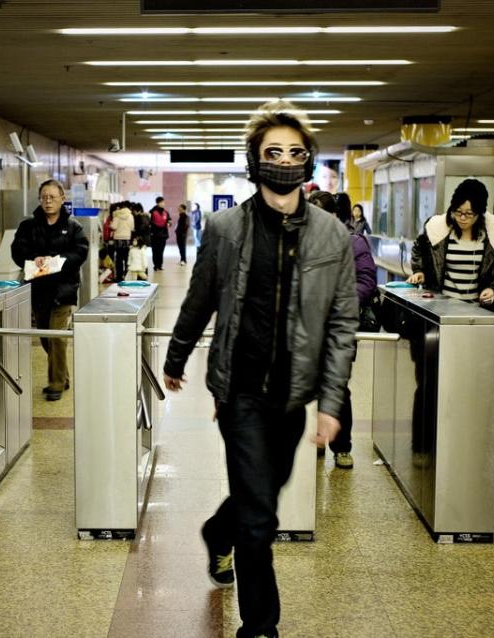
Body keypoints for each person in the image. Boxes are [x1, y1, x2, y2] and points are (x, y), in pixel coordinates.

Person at [163, 100, 359, 638]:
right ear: (255, 160)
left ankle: (215, 531)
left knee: (260, 499)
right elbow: (200, 298)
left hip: (291, 399)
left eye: (296, 153)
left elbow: (343, 325)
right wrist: (177, 355)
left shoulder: (332, 236)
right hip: (240, 392)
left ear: (310, 162)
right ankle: (261, 626)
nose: (285, 161)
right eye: (273, 152)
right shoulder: (227, 228)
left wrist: (333, 404)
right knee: (260, 521)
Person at [307, 190, 377, 469]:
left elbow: (367, 280)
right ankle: (319, 438)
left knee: (337, 386)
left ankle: (342, 447)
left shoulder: (353, 243)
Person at [11, 180, 89, 401]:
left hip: (63, 289)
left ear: (62, 198)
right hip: (38, 289)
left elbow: (81, 252)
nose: (48, 201)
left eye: (52, 197)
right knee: (46, 336)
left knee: (57, 337)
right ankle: (63, 376)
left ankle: (55, 383)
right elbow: (17, 250)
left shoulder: (74, 227)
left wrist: (57, 262)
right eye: (44, 197)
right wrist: (32, 259)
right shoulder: (28, 226)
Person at [407, 178, 494, 307]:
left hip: (477, 311)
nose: (462, 218)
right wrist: (419, 271)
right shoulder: (438, 230)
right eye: (458, 211)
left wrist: (493, 289)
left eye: (469, 213)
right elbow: (418, 250)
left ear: (480, 213)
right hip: (441, 308)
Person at [110, 202, 134, 282]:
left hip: (118, 239)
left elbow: (114, 226)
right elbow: (132, 227)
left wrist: (111, 224)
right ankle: (127, 275)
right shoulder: (130, 216)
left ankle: (119, 277)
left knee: (119, 259)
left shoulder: (117, 216)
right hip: (127, 238)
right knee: (127, 257)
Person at [149, 196, 171, 271]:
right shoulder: (152, 212)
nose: (163, 204)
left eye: (164, 202)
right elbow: (149, 222)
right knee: (155, 251)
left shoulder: (166, 212)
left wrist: (169, 223)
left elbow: (169, 220)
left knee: (161, 251)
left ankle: (160, 265)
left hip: (163, 235)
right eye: (162, 202)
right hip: (154, 235)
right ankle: (155, 265)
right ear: (158, 203)